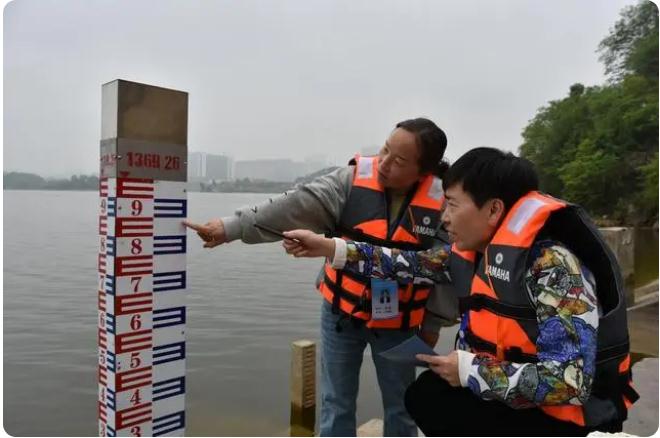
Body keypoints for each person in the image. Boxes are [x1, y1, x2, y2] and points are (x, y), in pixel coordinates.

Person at [282, 147, 639, 436]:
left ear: (494, 209)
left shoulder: (553, 266)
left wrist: (470, 370)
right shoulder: (473, 253)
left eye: (452, 204)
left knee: (441, 399)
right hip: (510, 395)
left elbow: (569, 383)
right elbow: (408, 264)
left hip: (561, 416)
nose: (444, 218)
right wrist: (330, 248)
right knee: (426, 396)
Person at [183, 118, 458, 436]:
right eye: (385, 149)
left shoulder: (443, 204)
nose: (384, 163)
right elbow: (295, 204)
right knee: (336, 402)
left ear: (424, 171)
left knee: (402, 406)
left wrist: (433, 323)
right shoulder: (351, 181)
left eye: (399, 161)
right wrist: (230, 228)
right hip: (341, 314)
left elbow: (444, 268)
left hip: (399, 323)